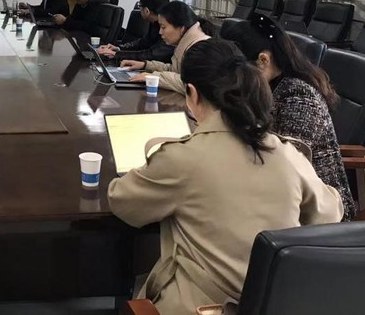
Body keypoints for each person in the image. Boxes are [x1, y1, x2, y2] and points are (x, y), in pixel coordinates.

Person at [108, 39, 343, 315]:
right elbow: (331, 212)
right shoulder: (287, 153)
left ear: (192, 93)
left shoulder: (183, 158)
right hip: (275, 303)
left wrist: (150, 161)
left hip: (201, 306)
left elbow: (122, 202)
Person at [223, 15, 356, 221]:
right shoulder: (268, 85)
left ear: (263, 60)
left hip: (320, 214)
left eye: (236, 74)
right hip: (283, 198)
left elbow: (284, 168)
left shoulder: (299, 96)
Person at [121, 1, 212, 92]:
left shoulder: (200, 49)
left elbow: (189, 84)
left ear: (181, 28)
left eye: (163, 27)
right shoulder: (185, 43)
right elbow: (174, 70)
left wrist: (154, 77)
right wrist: (145, 65)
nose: (160, 32)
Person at [98, 0, 173, 64]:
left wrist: (117, 54)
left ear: (146, 11)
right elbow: (143, 42)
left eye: (140, 6)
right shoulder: (154, 22)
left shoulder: (170, 26)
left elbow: (151, 55)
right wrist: (119, 49)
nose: (161, 31)